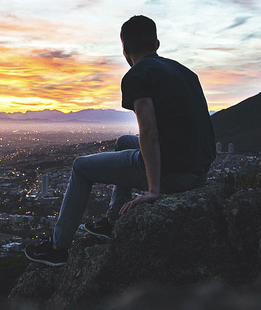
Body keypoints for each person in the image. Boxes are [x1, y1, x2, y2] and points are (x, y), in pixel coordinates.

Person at [24, 15, 216, 266]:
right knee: (125, 141)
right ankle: (113, 219)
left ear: (124, 50)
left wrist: (153, 190)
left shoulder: (138, 74)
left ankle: (58, 248)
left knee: (81, 167)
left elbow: (148, 130)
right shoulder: (185, 72)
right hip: (198, 170)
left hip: (174, 171)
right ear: (156, 43)